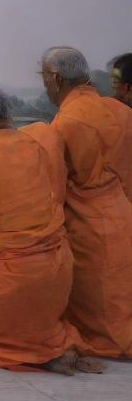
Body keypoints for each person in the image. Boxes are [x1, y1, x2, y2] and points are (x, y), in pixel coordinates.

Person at [0, 83, 103, 373]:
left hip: (15, 274)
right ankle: (46, 344)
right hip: (60, 270)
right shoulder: (44, 138)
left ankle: (39, 353)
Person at [42, 47, 132, 358]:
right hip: (125, 215)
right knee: (120, 296)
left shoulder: (64, 125)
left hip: (86, 226)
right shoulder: (123, 113)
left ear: (55, 78)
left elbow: (55, 187)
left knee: (98, 310)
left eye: (43, 79)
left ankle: (107, 345)